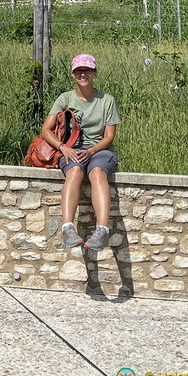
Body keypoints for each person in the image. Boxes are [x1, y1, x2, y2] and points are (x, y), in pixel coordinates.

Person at [40, 54, 120, 251]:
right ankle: (67, 227)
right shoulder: (65, 98)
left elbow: (109, 136)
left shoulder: (107, 100)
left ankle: (102, 230)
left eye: (87, 70)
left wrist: (91, 151)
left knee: (97, 172)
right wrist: (63, 147)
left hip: (100, 149)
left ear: (94, 73)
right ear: (73, 73)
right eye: (79, 70)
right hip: (71, 149)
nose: (83, 74)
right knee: (75, 172)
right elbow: (45, 129)